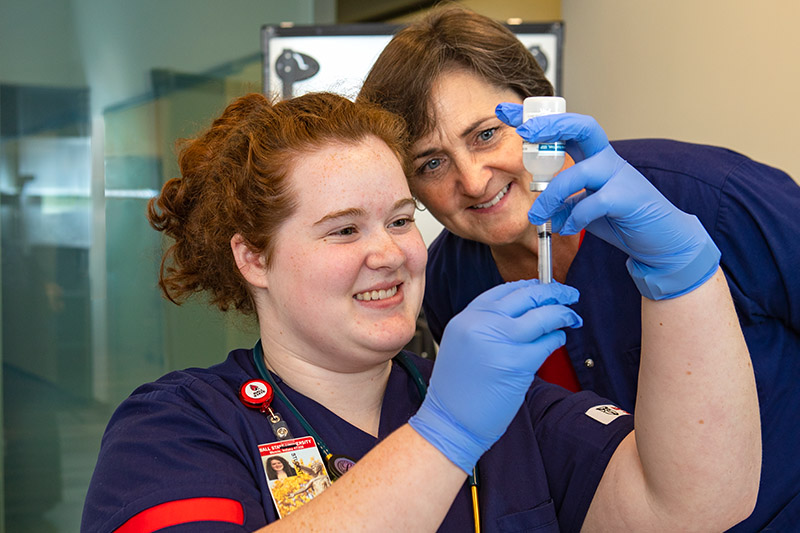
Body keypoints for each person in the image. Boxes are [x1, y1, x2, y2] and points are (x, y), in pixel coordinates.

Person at [81, 91, 759, 532]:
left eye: (401, 219)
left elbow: (695, 505)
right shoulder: (176, 425)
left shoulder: (506, 404)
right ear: (254, 258)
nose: (390, 253)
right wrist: (443, 435)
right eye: (344, 230)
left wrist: (684, 276)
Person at [359, 5, 800, 530]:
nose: (473, 180)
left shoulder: (707, 195)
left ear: (544, 110)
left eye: (485, 135)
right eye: (431, 163)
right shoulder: (448, 280)